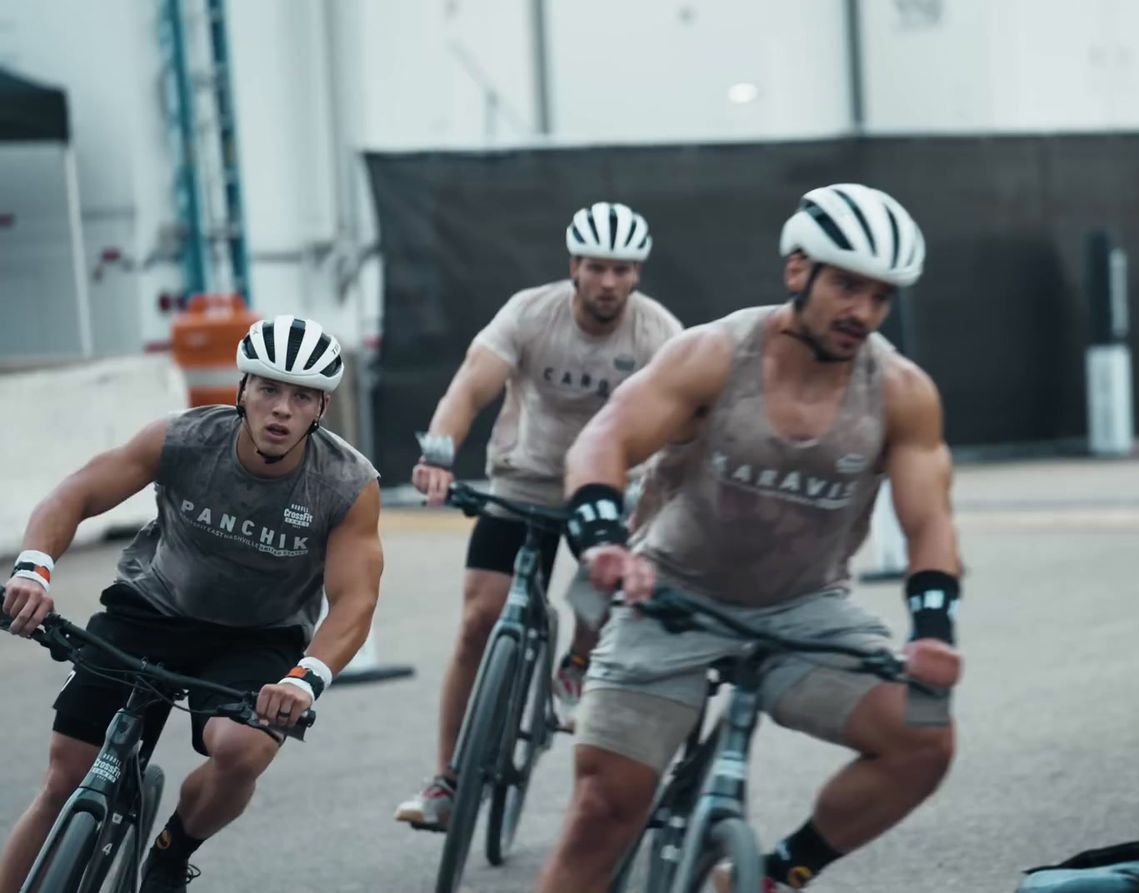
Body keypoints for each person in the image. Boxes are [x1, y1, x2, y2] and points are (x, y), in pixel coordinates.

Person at [538, 183, 963, 892]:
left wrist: (933, 629)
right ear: (799, 271)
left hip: (804, 610)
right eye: (848, 286)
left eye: (881, 296)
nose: (863, 310)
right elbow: (602, 441)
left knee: (927, 732)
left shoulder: (901, 389)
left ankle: (775, 872)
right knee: (602, 811)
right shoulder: (713, 353)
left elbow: (930, 521)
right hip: (672, 593)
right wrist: (603, 541)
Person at [0, 315, 383, 893]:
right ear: (242, 390)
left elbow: (355, 599)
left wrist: (305, 680)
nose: (281, 408)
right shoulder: (182, 439)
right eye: (269, 388)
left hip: (257, 636)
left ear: (320, 408)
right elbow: (75, 493)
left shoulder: (346, 483)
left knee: (242, 749)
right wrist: (33, 569)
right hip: (151, 609)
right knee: (65, 774)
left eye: (301, 396)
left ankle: (173, 850)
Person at [395, 201, 684, 830]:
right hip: (523, 481)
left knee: (606, 585)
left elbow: (685, 418)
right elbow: (470, 386)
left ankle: (577, 661)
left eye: (623, 270)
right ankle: (444, 781)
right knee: (478, 619)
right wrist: (439, 458)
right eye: (597, 267)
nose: (609, 282)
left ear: (637, 275)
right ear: (575, 265)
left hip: (607, 492)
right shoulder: (531, 313)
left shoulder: (658, 333)